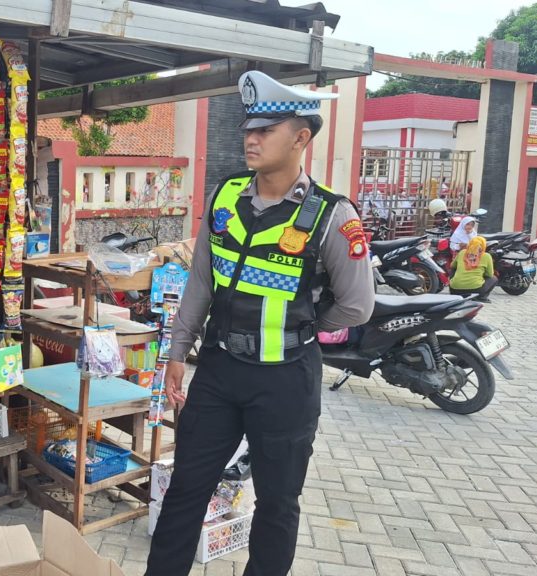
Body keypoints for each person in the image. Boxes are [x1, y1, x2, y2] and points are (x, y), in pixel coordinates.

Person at [145, 71, 374, 576]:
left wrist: (301, 324)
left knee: (277, 504)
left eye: (266, 130)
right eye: (249, 128)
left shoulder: (332, 215)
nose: (251, 138)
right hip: (220, 371)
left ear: (300, 137)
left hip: (286, 378)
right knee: (186, 489)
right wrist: (177, 353)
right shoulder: (225, 196)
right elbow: (201, 282)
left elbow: (357, 306)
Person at [449, 236, 496, 302]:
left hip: (455, 290)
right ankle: (482, 297)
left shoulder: (462, 252)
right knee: (494, 278)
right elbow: (489, 274)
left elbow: (452, 265)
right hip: (476, 290)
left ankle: (456, 290)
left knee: (453, 269)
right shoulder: (486, 256)